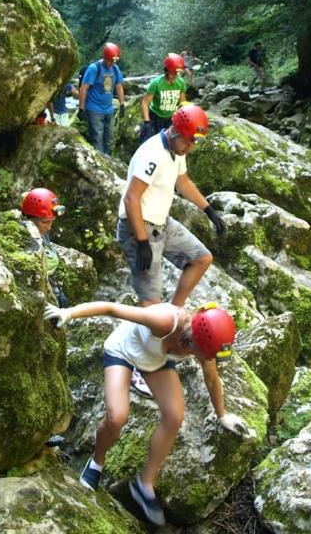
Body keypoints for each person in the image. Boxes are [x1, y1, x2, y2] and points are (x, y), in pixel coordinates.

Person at [43, 300, 254, 525]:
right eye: (204, 352)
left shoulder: (203, 348)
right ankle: (96, 463)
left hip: (155, 363)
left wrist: (222, 416)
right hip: (124, 350)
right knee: (117, 417)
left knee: (174, 417)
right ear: (196, 338)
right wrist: (68, 313)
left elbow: (212, 380)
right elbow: (111, 308)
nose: (204, 358)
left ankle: (145, 484)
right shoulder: (164, 320)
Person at [119, 103, 227, 399]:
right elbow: (131, 198)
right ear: (177, 131)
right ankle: (140, 368)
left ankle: (174, 312)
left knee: (201, 258)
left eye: (194, 142)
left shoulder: (176, 151)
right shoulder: (151, 153)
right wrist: (141, 241)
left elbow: (183, 181)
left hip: (162, 222)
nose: (190, 148)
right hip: (138, 226)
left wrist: (209, 211)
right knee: (150, 305)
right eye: (189, 141)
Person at [21, 188, 69, 308]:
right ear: (29, 219)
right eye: (45, 222)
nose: (49, 228)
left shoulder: (41, 232)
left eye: (51, 222)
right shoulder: (24, 241)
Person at [79, 42, 126, 155]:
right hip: (94, 109)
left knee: (109, 139)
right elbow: (84, 88)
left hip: (109, 109)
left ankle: (108, 162)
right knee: (97, 139)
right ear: (104, 57)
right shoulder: (94, 68)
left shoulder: (115, 69)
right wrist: (81, 108)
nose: (111, 63)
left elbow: (119, 86)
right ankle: (100, 165)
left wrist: (122, 104)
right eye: (110, 60)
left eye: (114, 61)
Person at [139, 53, 188, 143]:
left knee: (169, 144)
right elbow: (145, 103)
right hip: (155, 117)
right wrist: (147, 122)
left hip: (170, 118)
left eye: (176, 74)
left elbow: (183, 102)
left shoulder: (180, 82)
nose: (174, 76)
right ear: (166, 70)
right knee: (148, 142)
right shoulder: (156, 83)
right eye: (172, 73)